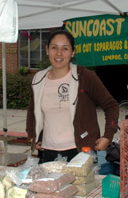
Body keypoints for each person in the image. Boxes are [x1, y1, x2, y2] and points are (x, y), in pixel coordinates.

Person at [26, 29, 119, 163]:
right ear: (47, 50)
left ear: (73, 52)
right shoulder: (38, 79)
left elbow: (111, 106)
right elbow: (32, 109)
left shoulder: (85, 77)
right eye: (54, 48)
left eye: (65, 48)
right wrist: (32, 135)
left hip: (80, 152)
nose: (59, 53)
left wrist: (107, 136)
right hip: (47, 153)